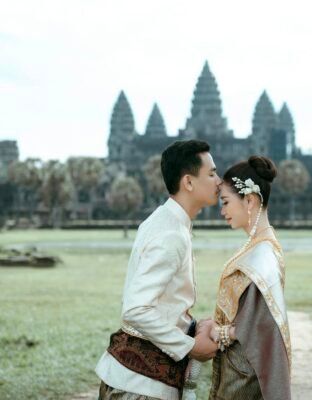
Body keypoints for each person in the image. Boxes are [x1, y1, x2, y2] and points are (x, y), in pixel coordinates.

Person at [95, 140, 221, 400]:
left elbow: (163, 302)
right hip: (140, 388)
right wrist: (190, 346)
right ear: (188, 182)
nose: (218, 181)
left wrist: (194, 325)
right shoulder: (171, 233)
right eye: (211, 173)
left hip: (136, 381)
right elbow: (136, 309)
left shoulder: (164, 221)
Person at [208, 155, 291, 400]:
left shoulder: (262, 255)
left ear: (250, 200)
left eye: (225, 202)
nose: (222, 211)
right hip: (239, 364)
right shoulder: (257, 246)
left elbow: (262, 325)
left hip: (245, 372)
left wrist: (221, 333)